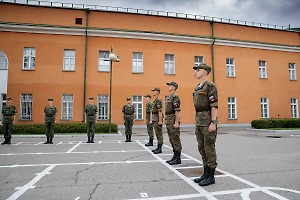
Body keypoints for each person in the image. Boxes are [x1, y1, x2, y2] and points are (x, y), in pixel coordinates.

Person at [192, 63, 219, 187]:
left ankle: (211, 176)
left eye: (198, 70)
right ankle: (205, 173)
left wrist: (213, 122)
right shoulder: (197, 88)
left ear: (205, 72)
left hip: (208, 121)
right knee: (202, 148)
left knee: (209, 149)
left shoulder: (210, 86)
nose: (196, 72)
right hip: (199, 121)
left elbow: (214, 105)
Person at [165, 81, 182, 165]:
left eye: (170, 85)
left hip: (173, 119)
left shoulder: (175, 96)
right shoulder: (169, 97)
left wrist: (176, 122)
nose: (168, 87)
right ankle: (174, 156)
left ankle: (178, 157)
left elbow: (177, 110)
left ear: (174, 87)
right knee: (171, 139)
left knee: (175, 139)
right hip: (168, 119)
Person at [151, 87, 163, 154]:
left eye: (154, 91)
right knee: (157, 134)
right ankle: (158, 147)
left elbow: (160, 111)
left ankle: (159, 148)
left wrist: (160, 120)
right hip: (155, 118)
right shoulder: (155, 100)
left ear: (157, 92)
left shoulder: (158, 100)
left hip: (157, 118)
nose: (152, 92)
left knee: (159, 134)